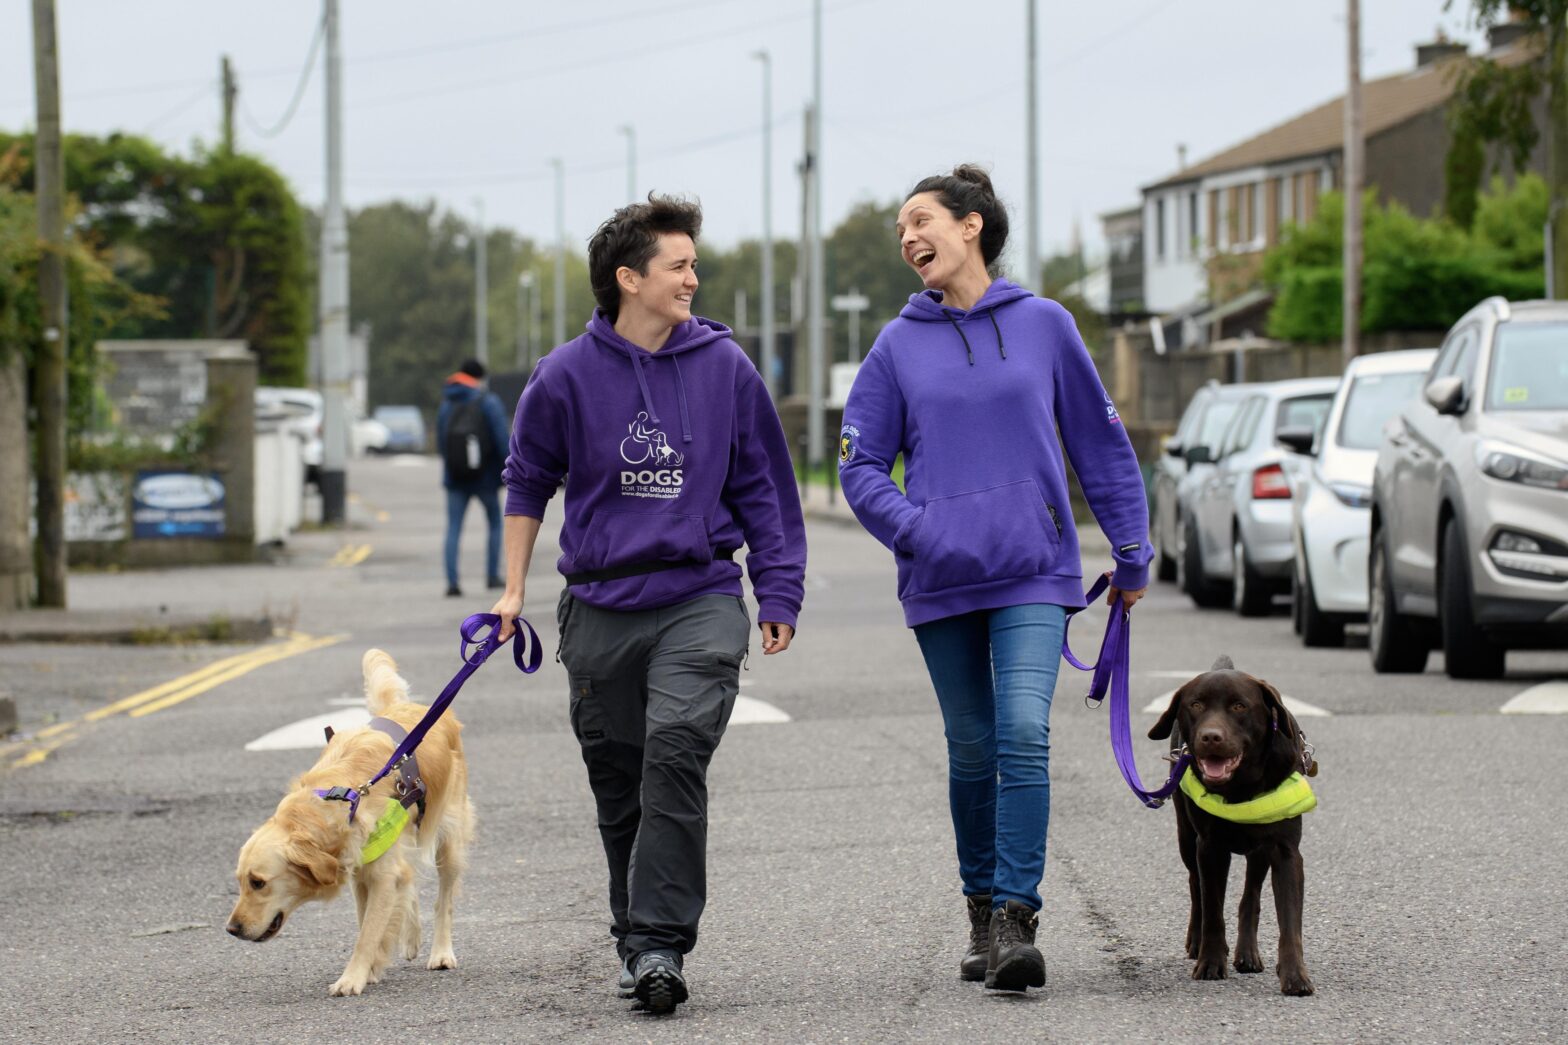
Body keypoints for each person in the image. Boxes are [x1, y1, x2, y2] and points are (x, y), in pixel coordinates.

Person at [489, 195, 805, 1015]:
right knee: (620, 780)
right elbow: (526, 481)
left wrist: (778, 586)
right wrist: (514, 587)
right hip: (598, 605)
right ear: (629, 279)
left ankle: (662, 940)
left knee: (674, 746)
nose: (693, 278)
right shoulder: (563, 376)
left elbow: (764, 484)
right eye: (678, 265)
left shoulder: (726, 368)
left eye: (694, 263)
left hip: (698, 593)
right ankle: (636, 941)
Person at [838, 165, 1150, 994]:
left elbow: (1102, 443)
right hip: (941, 578)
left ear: (971, 225)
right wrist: (916, 529)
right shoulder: (895, 346)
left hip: (1035, 568)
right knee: (972, 748)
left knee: (1021, 730)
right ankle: (979, 909)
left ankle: (1017, 916)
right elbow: (859, 464)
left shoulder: (1046, 324)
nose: (908, 237)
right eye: (900, 228)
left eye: (921, 219)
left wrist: (1132, 549)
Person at [436, 358, 511, 597]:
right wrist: (508, 471)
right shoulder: (488, 402)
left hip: (455, 477)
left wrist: (453, 466)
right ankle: (491, 576)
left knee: (454, 527)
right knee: (495, 524)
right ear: (480, 379)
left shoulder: (446, 404)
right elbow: (502, 440)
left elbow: (441, 443)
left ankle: (452, 582)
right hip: (486, 478)